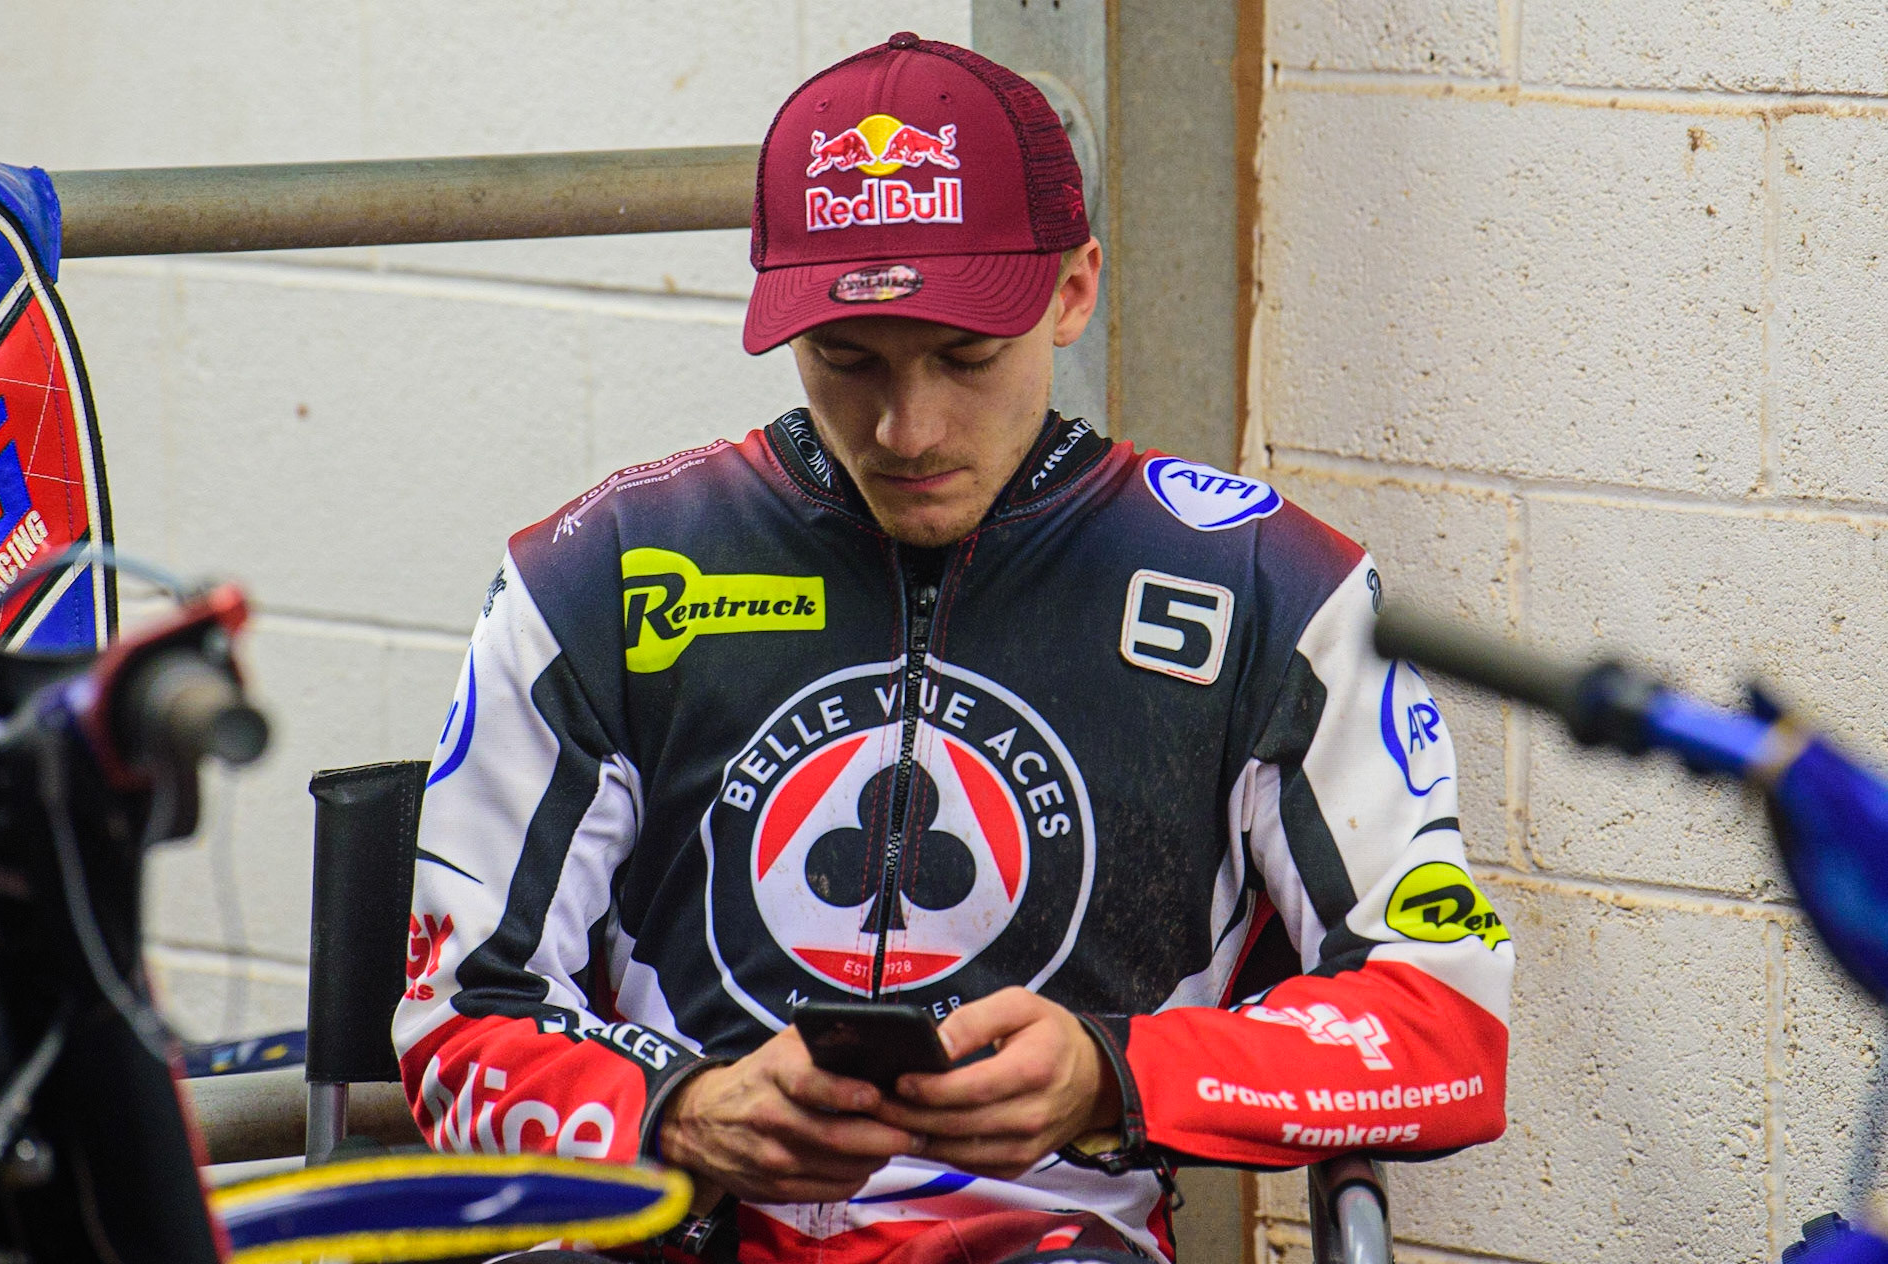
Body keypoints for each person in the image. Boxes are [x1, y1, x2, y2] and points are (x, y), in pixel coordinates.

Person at [394, 32, 1513, 1264]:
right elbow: (462, 1020)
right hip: (671, 1233)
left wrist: (1111, 1075)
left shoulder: (1272, 589)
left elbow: (1442, 1026)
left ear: (1073, 290)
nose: (906, 427)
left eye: (964, 357)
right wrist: (685, 1109)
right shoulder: (592, 572)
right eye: (848, 360)